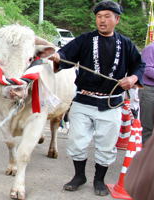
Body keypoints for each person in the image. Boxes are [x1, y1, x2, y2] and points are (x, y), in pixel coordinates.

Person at [48, 0, 145, 196]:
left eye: (107, 16)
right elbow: (65, 54)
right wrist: (57, 57)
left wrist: (133, 78)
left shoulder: (126, 44)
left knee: (106, 145)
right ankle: (79, 176)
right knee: (76, 141)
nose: (102, 20)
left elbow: (139, 65)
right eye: (99, 17)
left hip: (111, 103)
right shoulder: (84, 40)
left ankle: (99, 180)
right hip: (83, 100)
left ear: (116, 19)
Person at [139, 38, 154, 144]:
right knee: (148, 127)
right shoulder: (151, 48)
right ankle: (146, 156)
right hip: (150, 91)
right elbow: (147, 69)